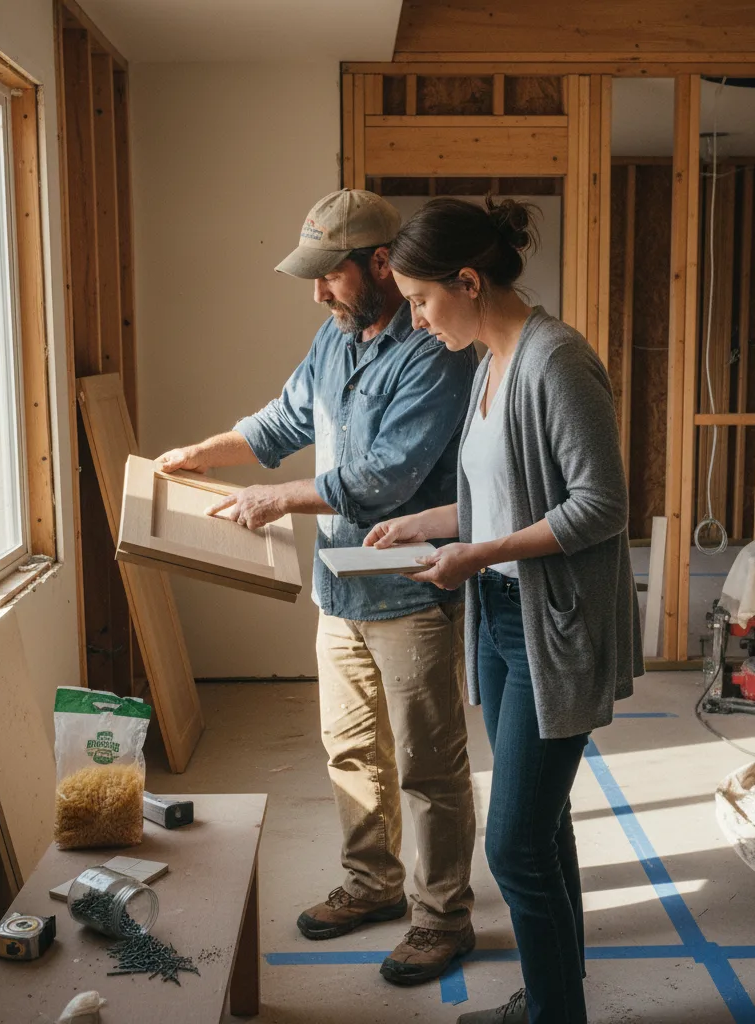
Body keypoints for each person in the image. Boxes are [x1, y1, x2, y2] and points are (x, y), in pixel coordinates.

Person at [157, 189, 479, 986]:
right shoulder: (333, 338)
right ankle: (373, 885)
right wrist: (204, 451)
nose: (318, 292)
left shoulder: (437, 347)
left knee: (427, 763)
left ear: (378, 263)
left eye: (328, 276)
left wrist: (274, 498)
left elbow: (385, 475)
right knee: (350, 750)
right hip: (340, 592)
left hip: (411, 590)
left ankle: (442, 919)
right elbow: (281, 421)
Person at [364, 197, 643, 1023]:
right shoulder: (488, 359)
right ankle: (554, 1003)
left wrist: (479, 552)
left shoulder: (554, 359)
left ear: (470, 280)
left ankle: (555, 1015)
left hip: (550, 629)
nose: (416, 320)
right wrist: (432, 524)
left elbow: (603, 504)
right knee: (542, 825)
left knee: (514, 844)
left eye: (421, 300)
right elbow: (502, 495)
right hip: (499, 616)